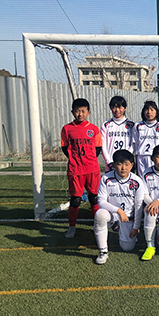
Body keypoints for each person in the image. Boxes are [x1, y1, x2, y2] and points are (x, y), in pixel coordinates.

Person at [94, 149, 145, 265]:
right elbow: (101, 201)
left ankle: (127, 233)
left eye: (127, 164)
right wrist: (118, 211)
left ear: (132, 165)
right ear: (113, 165)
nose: (123, 168)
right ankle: (103, 251)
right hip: (112, 214)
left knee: (127, 248)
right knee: (100, 215)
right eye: (119, 164)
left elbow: (138, 206)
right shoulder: (106, 178)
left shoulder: (137, 181)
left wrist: (136, 226)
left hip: (128, 217)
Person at [60, 98, 102, 239]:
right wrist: (75, 160)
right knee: (75, 199)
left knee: (94, 198)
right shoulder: (67, 129)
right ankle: (72, 227)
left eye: (83, 111)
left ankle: (98, 225)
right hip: (75, 170)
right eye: (77, 111)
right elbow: (65, 147)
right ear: (72, 112)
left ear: (88, 112)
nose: (80, 114)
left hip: (92, 169)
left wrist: (88, 160)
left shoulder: (94, 129)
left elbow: (98, 148)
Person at [100, 95, 134, 172]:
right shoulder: (105, 125)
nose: (117, 110)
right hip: (111, 165)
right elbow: (103, 146)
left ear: (125, 108)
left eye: (119, 107)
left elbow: (133, 145)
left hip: (126, 165)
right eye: (114, 107)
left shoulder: (131, 125)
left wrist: (127, 160)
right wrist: (109, 162)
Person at [134, 100, 159, 175]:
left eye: (152, 110)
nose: (149, 112)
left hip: (155, 157)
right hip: (141, 156)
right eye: (147, 109)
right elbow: (135, 143)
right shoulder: (138, 126)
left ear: (156, 112)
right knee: (142, 177)